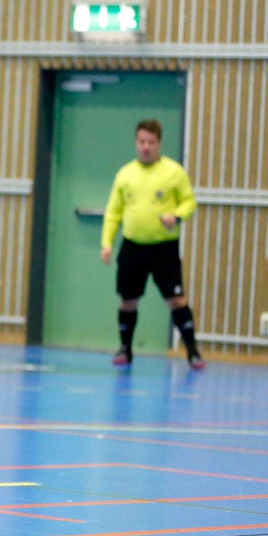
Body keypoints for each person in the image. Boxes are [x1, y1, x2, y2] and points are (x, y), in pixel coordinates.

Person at [100, 119, 204, 370]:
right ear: (136, 143)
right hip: (133, 246)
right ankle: (125, 348)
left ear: (159, 144)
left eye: (151, 142)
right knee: (128, 299)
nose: (146, 147)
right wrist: (107, 242)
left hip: (163, 249)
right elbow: (113, 212)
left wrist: (176, 216)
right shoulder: (125, 174)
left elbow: (189, 203)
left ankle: (192, 351)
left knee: (176, 299)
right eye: (141, 142)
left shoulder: (173, 172)